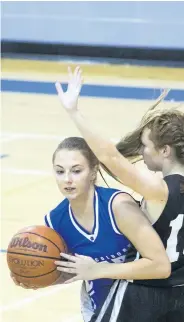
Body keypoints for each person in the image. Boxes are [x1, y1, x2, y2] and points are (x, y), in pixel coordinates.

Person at [54, 10, 184, 322]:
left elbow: (109, 157)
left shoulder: (159, 191)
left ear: (164, 150)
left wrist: (74, 112)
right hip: (182, 296)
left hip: (141, 296)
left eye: (146, 146)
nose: (142, 153)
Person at [11, 136, 170, 322]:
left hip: (146, 309)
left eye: (76, 171)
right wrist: (37, 277)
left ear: (93, 171)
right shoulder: (55, 221)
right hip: (101, 311)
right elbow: (75, 270)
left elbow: (160, 266)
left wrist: (98, 270)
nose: (67, 179)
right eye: (60, 171)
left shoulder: (118, 207)